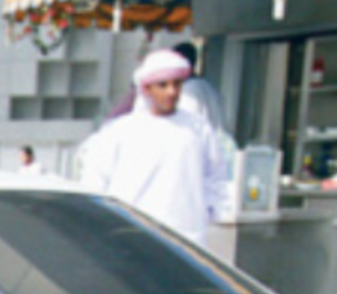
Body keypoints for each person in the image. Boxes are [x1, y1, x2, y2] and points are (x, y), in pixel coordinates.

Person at [79, 49, 228, 245]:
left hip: (188, 237)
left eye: (177, 84)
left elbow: (215, 176)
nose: (172, 92)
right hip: (134, 235)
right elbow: (95, 181)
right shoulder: (120, 131)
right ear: (147, 89)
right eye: (163, 85)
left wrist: (209, 213)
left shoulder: (198, 128)